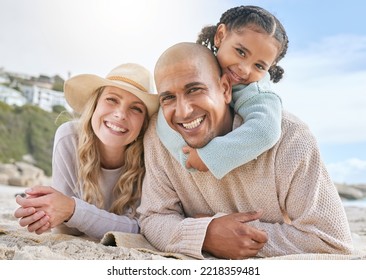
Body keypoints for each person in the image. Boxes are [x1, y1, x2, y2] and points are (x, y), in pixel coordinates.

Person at [137, 42, 354, 260]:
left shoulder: (291, 138)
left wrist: (225, 232)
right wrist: (206, 234)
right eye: (168, 98)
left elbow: (331, 240)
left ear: (225, 89)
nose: (183, 111)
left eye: (195, 90)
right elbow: (153, 217)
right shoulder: (159, 137)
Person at [14, 63, 159, 240]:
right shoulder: (69, 138)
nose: (120, 114)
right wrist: (43, 211)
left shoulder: (151, 155)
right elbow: (67, 229)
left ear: (144, 122)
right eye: (112, 99)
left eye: (136, 108)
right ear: (95, 105)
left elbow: (143, 229)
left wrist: (71, 209)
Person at [157, 5, 288, 179]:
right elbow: (163, 119)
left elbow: (265, 131)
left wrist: (211, 155)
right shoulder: (195, 66)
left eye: (259, 66)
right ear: (220, 36)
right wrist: (187, 156)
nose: (244, 69)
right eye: (241, 52)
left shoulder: (257, 92)